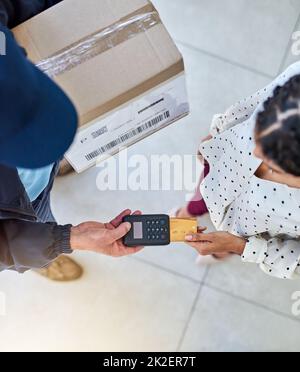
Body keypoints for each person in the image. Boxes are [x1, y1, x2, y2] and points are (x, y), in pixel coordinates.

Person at [0, 0, 142, 281]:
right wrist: (64, 239)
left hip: (27, 187)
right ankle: (45, 259)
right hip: (11, 207)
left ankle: (52, 168)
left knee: (42, 201)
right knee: (34, 223)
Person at [177, 62, 300, 280]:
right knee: (200, 195)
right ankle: (190, 210)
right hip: (221, 169)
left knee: (226, 239)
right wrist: (218, 133)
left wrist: (240, 247)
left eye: (272, 165)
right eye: (258, 130)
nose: (254, 152)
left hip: (248, 227)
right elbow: (249, 107)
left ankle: (222, 252)